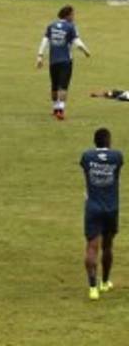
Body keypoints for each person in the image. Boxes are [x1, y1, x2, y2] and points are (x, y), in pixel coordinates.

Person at [81, 127, 123, 300]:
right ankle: (105, 282)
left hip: (93, 206)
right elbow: (116, 173)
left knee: (92, 247)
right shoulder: (117, 157)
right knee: (108, 246)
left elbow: (86, 173)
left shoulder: (87, 156)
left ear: (95, 141)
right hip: (111, 207)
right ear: (109, 141)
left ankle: (92, 287)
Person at [37, 4, 91, 120]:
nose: (74, 16)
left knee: (54, 86)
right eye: (72, 14)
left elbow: (45, 41)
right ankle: (60, 110)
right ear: (68, 15)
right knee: (63, 86)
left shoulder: (51, 26)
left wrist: (40, 56)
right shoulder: (70, 27)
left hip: (53, 61)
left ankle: (55, 109)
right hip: (66, 61)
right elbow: (77, 41)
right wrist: (86, 51)